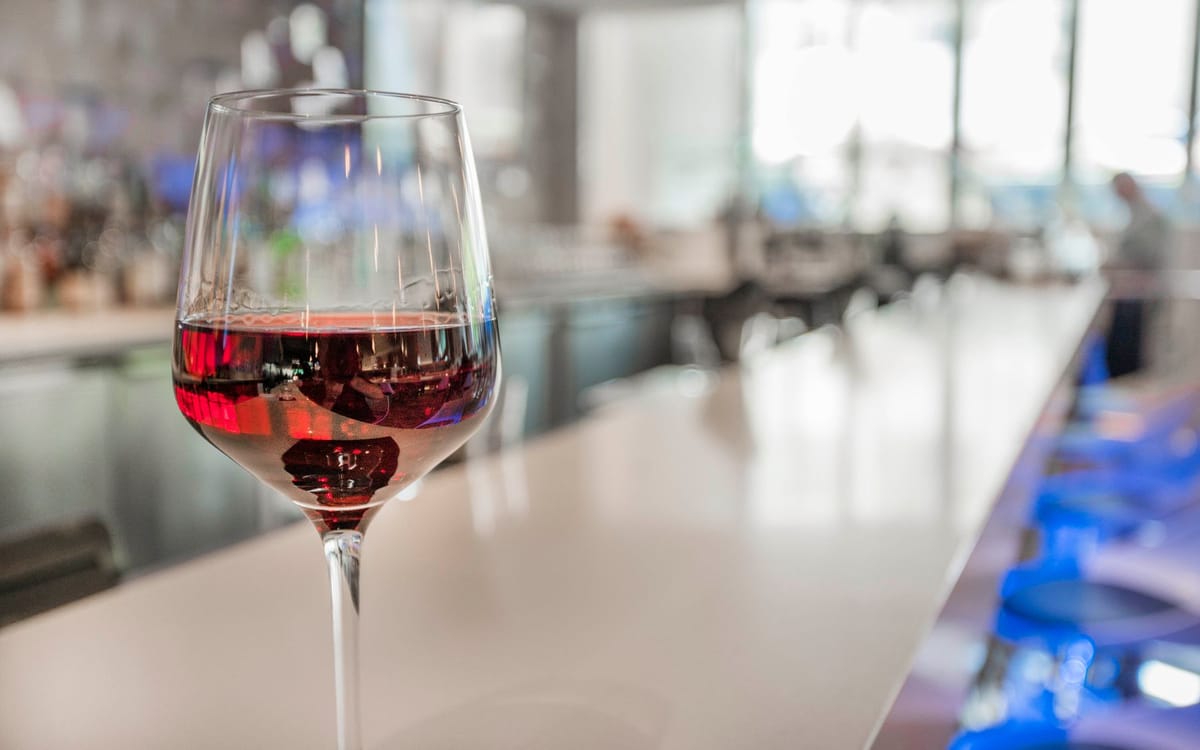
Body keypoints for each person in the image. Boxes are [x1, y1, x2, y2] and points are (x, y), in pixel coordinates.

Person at [1105, 172, 1169, 377]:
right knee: (1120, 351)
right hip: (1129, 291)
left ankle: (1125, 389)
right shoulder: (1134, 212)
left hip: (1139, 293)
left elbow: (1149, 255)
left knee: (1127, 353)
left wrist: (1117, 265)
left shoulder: (1149, 216)